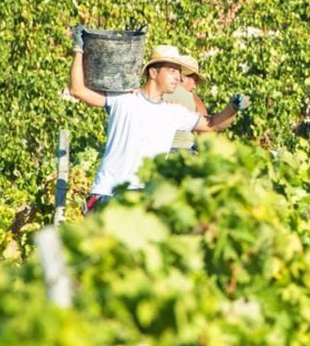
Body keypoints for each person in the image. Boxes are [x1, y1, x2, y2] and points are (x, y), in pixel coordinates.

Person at [68, 26, 249, 213]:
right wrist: (79, 50)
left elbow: (212, 125)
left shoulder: (174, 113)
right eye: (172, 71)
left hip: (144, 198)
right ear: (153, 72)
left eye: (179, 73)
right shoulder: (123, 99)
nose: (178, 78)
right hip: (108, 194)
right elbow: (78, 90)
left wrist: (232, 108)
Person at [165, 54, 209, 154]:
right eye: (195, 81)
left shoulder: (157, 92)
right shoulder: (193, 98)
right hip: (183, 152)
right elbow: (206, 131)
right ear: (183, 78)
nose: (194, 87)